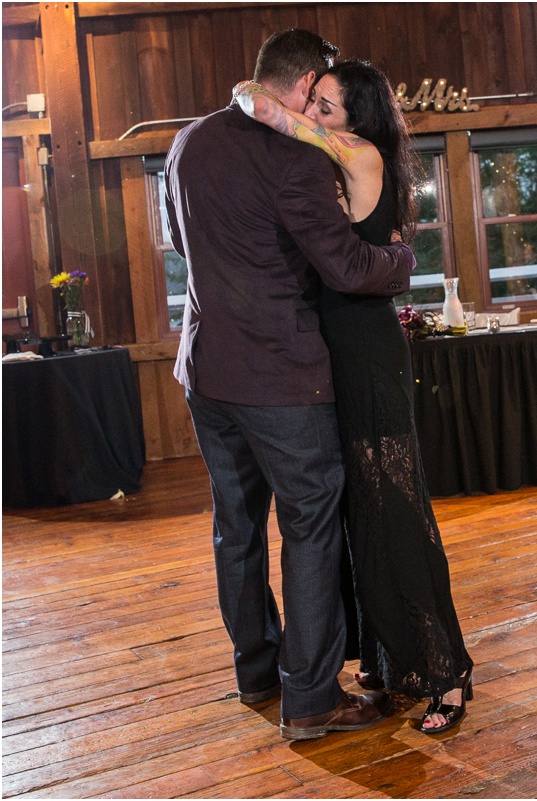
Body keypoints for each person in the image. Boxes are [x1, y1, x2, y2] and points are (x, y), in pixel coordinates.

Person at [165, 29, 414, 740]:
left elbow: (178, 240)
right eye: (322, 91)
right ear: (306, 85)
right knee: (310, 526)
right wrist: (400, 259)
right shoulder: (296, 157)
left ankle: (256, 673)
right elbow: (347, 267)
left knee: (236, 526)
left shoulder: (188, 141)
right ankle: (309, 699)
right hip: (281, 378)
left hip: (204, 369)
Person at [234, 59, 474, 734]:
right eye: (316, 104)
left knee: (396, 511)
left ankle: (447, 673)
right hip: (335, 357)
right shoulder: (341, 163)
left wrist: (261, 92)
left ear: (356, 120)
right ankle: (389, 657)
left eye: (328, 107)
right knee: (359, 515)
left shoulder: (358, 151)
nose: (314, 116)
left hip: (367, 357)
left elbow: (262, 105)